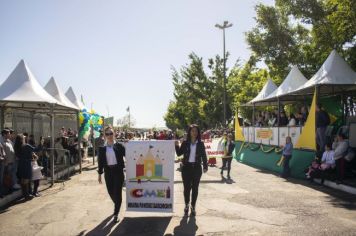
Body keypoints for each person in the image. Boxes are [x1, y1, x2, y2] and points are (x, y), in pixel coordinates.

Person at [175, 124, 208, 216]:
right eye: (192, 131)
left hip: (197, 168)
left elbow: (204, 156)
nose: (194, 133)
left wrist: (205, 166)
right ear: (189, 132)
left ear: (198, 133)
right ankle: (186, 205)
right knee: (186, 189)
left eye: (196, 131)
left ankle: (193, 206)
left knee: (195, 188)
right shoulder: (185, 143)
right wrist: (177, 146)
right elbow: (179, 154)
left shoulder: (200, 144)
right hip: (186, 168)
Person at [98, 126, 125, 223]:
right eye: (107, 134)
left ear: (114, 134)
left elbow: (129, 155)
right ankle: (118, 203)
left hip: (118, 172)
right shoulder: (102, 149)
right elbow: (100, 162)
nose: (109, 136)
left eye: (111, 133)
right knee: (111, 192)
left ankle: (116, 213)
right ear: (104, 135)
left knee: (117, 192)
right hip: (108, 172)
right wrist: (100, 174)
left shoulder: (119, 146)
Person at [15, 134, 35, 200]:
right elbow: (35, 149)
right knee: (26, 179)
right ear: (21, 139)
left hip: (21, 164)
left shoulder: (17, 146)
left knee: (23, 180)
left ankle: (26, 195)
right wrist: (41, 143)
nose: (25, 138)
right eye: (23, 137)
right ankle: (26, 195)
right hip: (25, 164)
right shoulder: (25, 146)